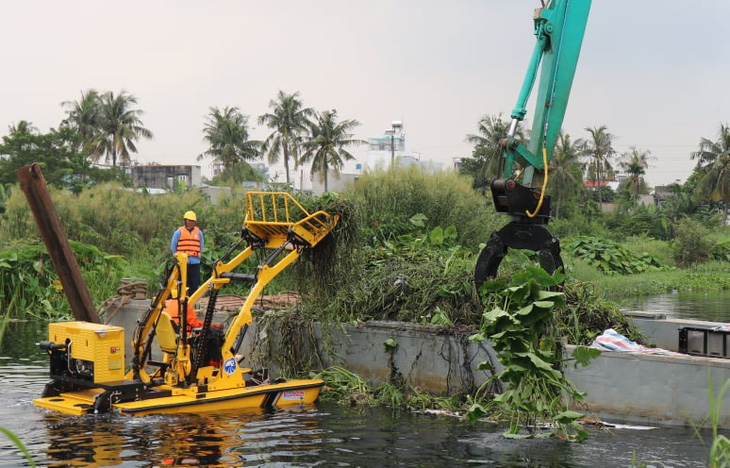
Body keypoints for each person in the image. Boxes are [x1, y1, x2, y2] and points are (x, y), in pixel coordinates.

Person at [171, 210, 204, 296]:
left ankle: (191, 302)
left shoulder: (199, 233)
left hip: (195, 262)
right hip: (182, 263)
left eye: (193, 221)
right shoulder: (178, 232)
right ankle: (180, 301)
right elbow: (173, 247)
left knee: (194, 284)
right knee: (181, 283)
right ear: (185, 221)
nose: (191, 223)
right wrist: (178, 256)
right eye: (189, 220)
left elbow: (201, 246)